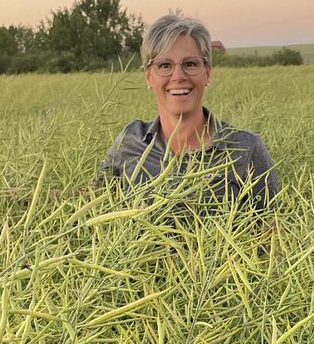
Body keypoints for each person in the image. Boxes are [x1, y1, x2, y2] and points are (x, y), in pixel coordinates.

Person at [97, 14, 279, 207]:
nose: (178, 76)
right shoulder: (130, 140)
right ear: (149, 77)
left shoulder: (246, 147)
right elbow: (96, 202)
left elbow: (271, 222)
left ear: (207, 72)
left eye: (190, 64)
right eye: (164, 65)